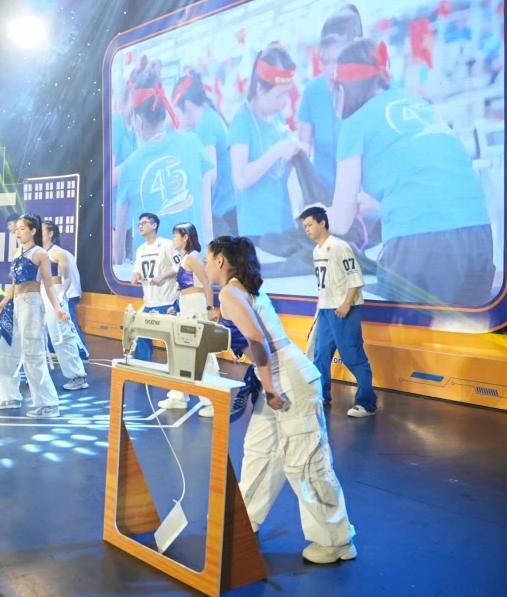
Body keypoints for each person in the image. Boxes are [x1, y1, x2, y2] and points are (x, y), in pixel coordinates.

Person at [204, 235, 356, 564]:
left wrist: (270, 386)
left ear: (220, 260)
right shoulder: (240, 288)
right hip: (276, 375)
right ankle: (244, 519)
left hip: (286, 378)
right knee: (261, 450)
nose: (205, 265)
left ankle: (336, 541)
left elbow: (258, 340)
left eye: (207, 258)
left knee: (305, 460)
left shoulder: (230, 292)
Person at [325, 38, 494, 306]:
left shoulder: (354, 123)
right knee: (466, 330)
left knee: (404, 331)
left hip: (421, 248)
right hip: (479, 236)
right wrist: (378, 203)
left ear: (345, 87)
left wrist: (314, 214)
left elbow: (341, 222)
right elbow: (428, 177)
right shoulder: (418, 105)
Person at [113, 62, 214, 265]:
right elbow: (206, 216)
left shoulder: (130, 167)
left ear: (138, 122)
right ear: (164, 112)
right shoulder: (193, 143)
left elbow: (119, 244)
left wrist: (119, 261)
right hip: (192, 268)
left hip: (151, 274)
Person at [227, 44, 310, 257]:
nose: (284, 102)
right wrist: (277, 151)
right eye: (278, 96)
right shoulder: (242, 122)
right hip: (258, 235)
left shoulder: (277, 118)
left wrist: (296, 154)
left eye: (287, 95)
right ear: (260, 90)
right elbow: (241, 179)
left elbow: (279, 172)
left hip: (285, 226)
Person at [299, 206, 377, 417]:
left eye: (310, 224)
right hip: (325, 309)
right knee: (321, 354)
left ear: (322, 223)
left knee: (352, 355)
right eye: (305, 226)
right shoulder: (316, 251)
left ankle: (367, 403)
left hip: (343, 309)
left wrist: (346, 304)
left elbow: (355, 278)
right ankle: (322, 394)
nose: (307, 229)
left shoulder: (340, 247)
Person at [0, 214, 69, 418]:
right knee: (5, 352)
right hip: (15, 304)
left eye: (22, 228)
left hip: (31, 305)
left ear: (33, 231)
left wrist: (57, 308)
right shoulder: (16, 253)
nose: (18, 232)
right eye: (16, 228)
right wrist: (3, 303)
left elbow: (49, 284)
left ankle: (48, 404)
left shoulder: (40, 253)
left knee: (33, 354)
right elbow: (14, 284)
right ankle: (10, 396)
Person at [298, 9, 364, 195]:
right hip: (326, 199)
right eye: (325, 62)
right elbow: (304, 152)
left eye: (335, 62)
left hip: (365, 199)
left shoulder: (368, 90)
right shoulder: (312, 92)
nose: (329, 70)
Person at [159, 223, 219, 417]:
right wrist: (177, 307)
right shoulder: (185, 257)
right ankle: (178, 395)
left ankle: (213, 401)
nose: (173, 239)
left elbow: (206, 282)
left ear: (186, 237)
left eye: (175, 235)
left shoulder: (193, 257)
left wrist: (210, 308)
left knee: (201, 356)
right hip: (187, 306)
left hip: (196, 307)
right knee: (181, 352)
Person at [172, 70, 237, 238]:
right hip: (230, 207)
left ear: (186, 106)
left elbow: (211, 175)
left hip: (224, 213)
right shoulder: (211, 116)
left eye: (177, 113)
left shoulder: (205, 125)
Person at [41, 221, 89, 390]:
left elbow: (67, 278)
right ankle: (38, 373)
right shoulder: (37, 252)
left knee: (61, 336)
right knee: (37, 336)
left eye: (41, 230)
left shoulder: (58, 252)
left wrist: (61, 295)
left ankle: (77, 375)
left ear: (50, 233)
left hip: (55, 293)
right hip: (38, 293)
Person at [129, 213, 180, 362]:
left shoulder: (167, 245)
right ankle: (143, 365)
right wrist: (136, 275)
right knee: (140, 332)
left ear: (154, 225)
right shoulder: (141, 249)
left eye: (144, 223)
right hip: (149, 301)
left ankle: (177, 367)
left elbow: (178, 267)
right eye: (139, 224)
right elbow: (137, 269)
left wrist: (162, 276)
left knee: (171, 338)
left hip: (167, 300)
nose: (140, 226)